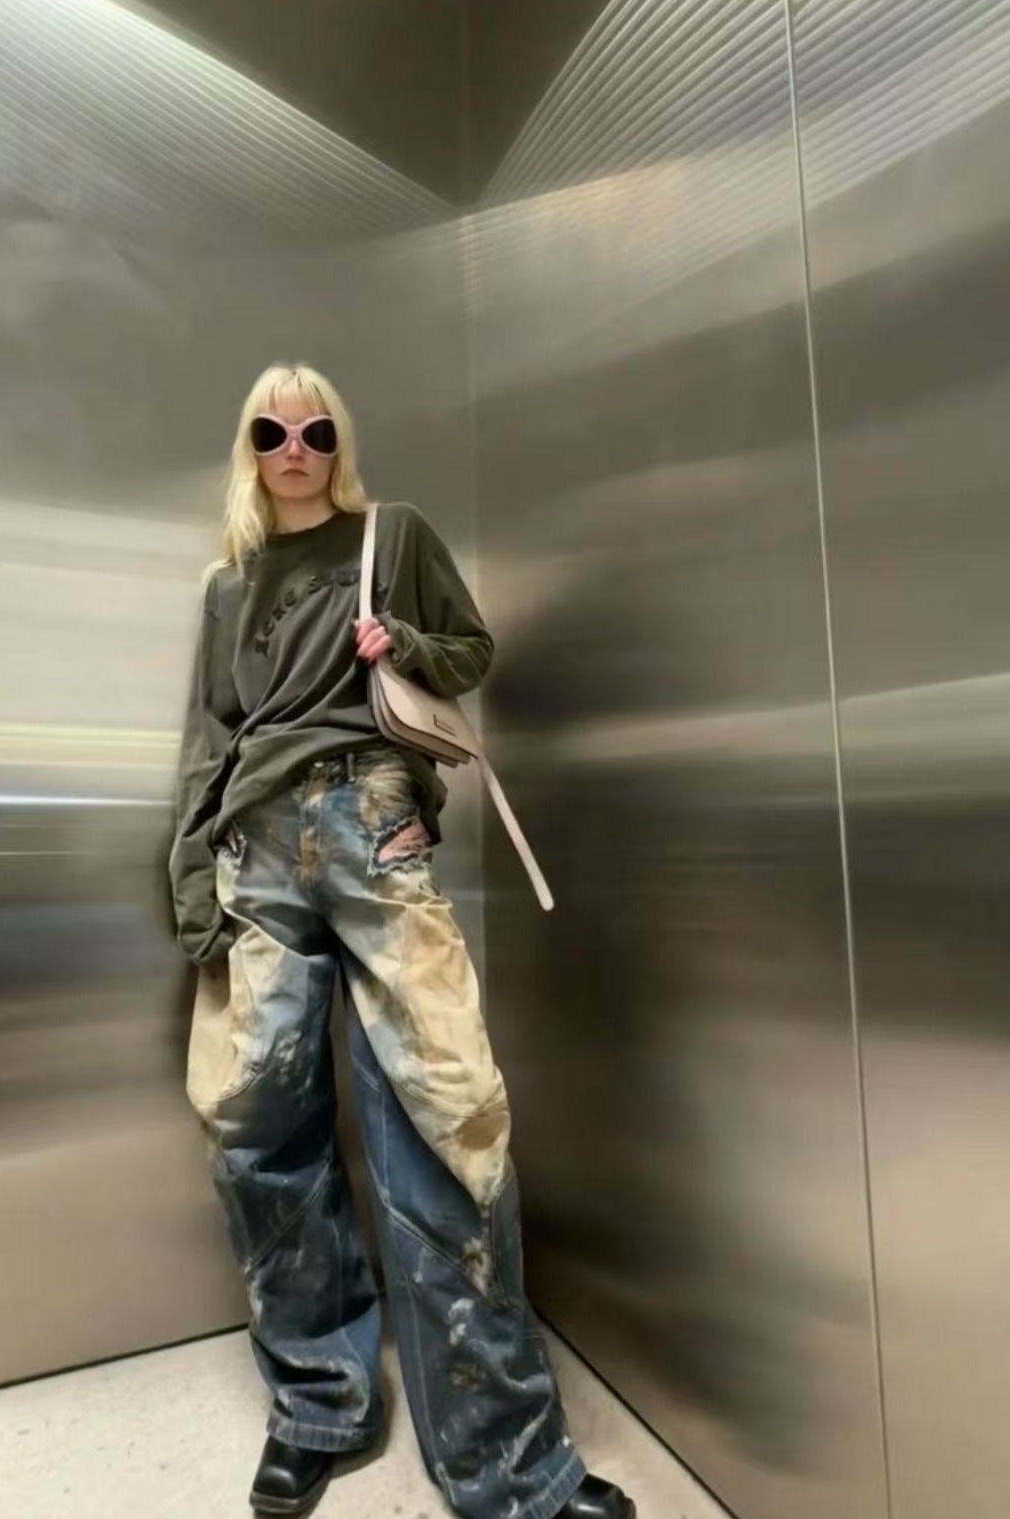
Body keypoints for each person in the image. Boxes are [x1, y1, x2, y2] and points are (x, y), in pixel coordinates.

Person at [169, 361, 634, 1519]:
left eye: (315, 430)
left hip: (373, 822)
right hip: (254, 851)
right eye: (271, 430)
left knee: (447, 1117)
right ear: (248, 446)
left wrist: (404, 646)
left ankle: (507, 1467)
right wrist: (190, 882)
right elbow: (208, 740)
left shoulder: (394, 534)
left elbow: (471, 651)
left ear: (340, 441)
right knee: (256, 1133)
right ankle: (318, 1406)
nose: (294, 448)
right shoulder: (228, 585)